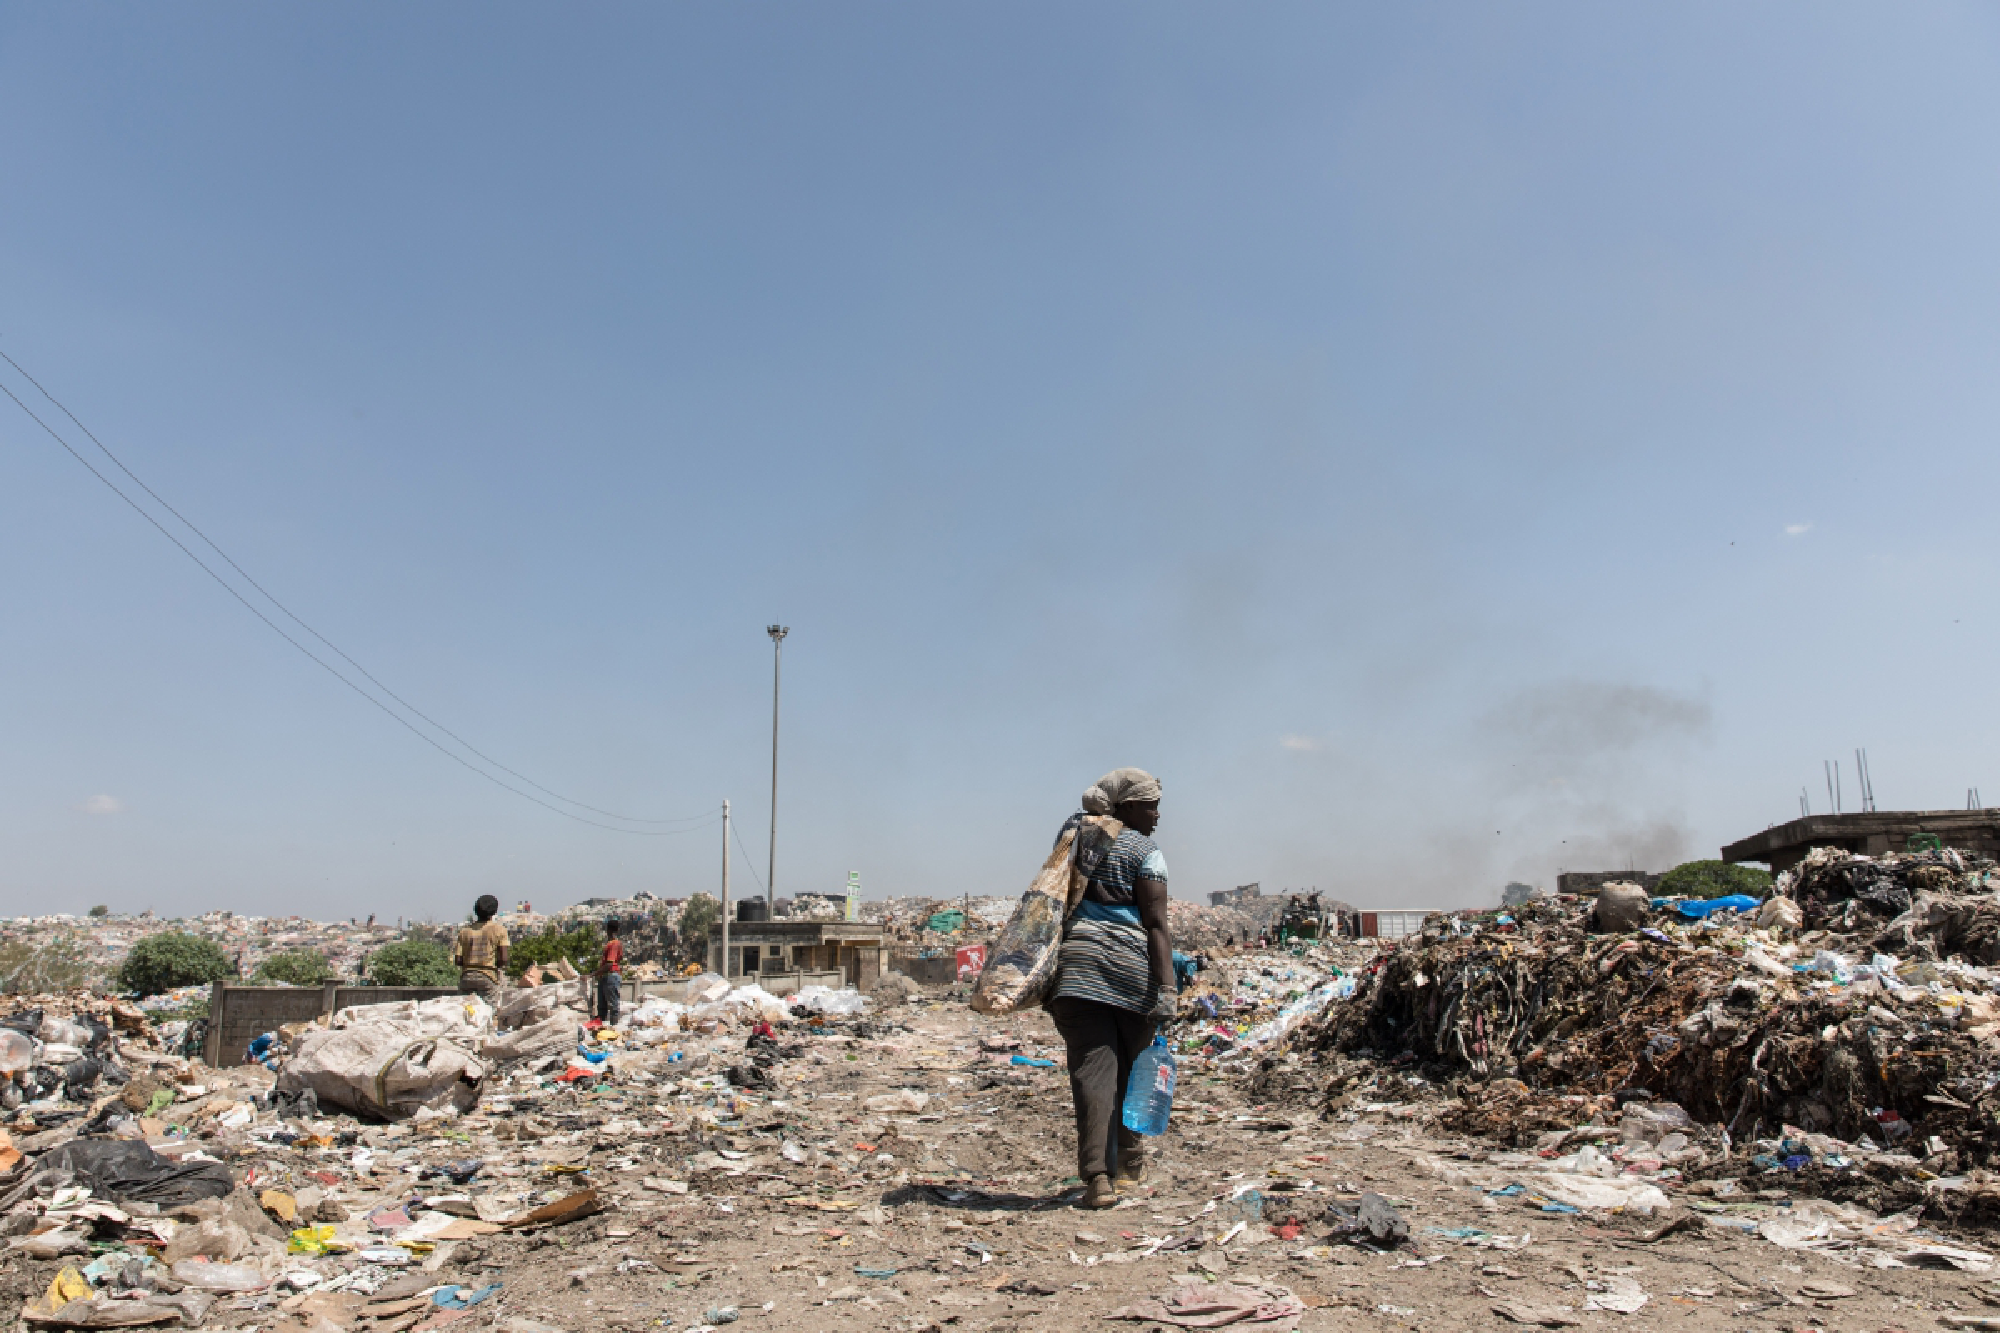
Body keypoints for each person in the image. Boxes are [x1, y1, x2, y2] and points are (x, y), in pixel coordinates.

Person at [1049, 767, 1178, 1210]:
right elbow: (1157, 924)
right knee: (1132, 1070)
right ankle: (1129, 1162)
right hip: (1130, 972)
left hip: (1077, 969)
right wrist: (1167, 989)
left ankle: (1098, 1179)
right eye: (1150, 805)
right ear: (1125, 806)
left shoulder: (1075, 834)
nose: (1158, 815)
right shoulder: (1147, 851)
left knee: (1093, 1073)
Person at [453, 896, 509, 1005]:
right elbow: (504, 959)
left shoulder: (464, 931)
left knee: (466, 1011)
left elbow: (458, 960)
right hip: (487, 977)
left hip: (466, 977)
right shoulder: (499, 930)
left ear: (476, 910)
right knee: (488, 1012)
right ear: (494, 911)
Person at [595, 919, 624, 1026]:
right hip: (606, 977)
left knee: (613, 1006)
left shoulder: (614, 944)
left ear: (608, 930)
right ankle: (600, 1029)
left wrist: (593, 974)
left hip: (610, 976)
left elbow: (609, 964)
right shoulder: (612, 944)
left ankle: (614, 1028)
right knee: (602, 1006)